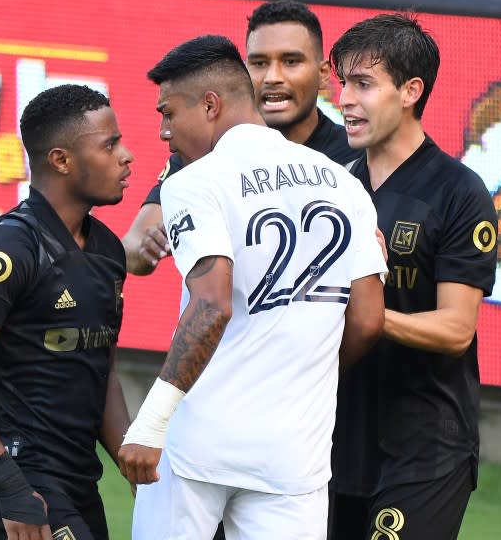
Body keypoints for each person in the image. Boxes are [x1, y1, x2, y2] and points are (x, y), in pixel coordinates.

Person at [117, 35, 386, 539]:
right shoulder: (346, 184)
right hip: (294, 456)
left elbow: (212, 304)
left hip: (199, 443)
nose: (162, 132)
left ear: (211, 105)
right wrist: (300, 370)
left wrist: (152, 421)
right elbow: (369, 321)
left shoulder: (194, 181)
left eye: (169, 114)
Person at [0, 84, 133, 540]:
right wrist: (10, 485)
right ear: (61, 160)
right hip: (19, 479)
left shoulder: (107, 251)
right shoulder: (12, 247)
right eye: (110, 144)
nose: (127, 155)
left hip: (78, 480)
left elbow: (102, 372)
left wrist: (136, 468)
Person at [327, 14, 499, 540]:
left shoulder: (458, 191)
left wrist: (375, 316)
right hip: (333, 446)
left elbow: (456, 328)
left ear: (410, 91)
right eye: (342, 83)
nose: (344, 99)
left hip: (426, 451)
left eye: (363, 84)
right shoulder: (335, 189)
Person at [122, 0, 361, 275]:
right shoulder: (204, 156)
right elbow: (132, 245)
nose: (273, 77)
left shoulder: (356, 154)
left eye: (291, 61)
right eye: (259, 63)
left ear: (322, 75)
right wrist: (149, 247)